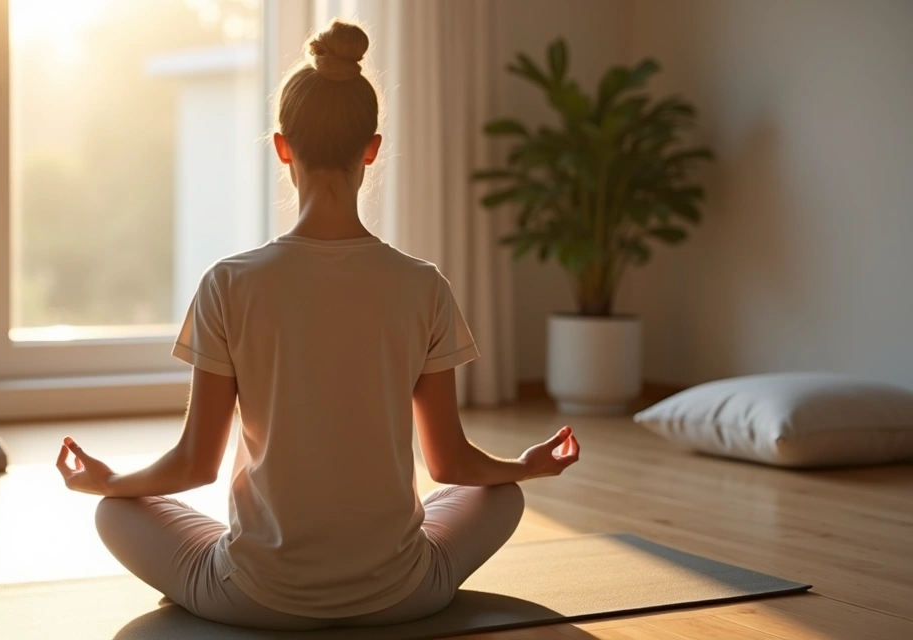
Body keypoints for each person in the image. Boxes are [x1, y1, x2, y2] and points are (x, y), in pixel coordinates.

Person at [56, 19, 580, 631]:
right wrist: (525, 467)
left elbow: (196, 465)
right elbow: (451, 465)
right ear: (372, 147)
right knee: (501, 494)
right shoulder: (422, 284)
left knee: (114, 513)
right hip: (404, 593)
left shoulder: (229, 282)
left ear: (282, 147)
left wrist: (109, 480)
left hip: (255, 598)